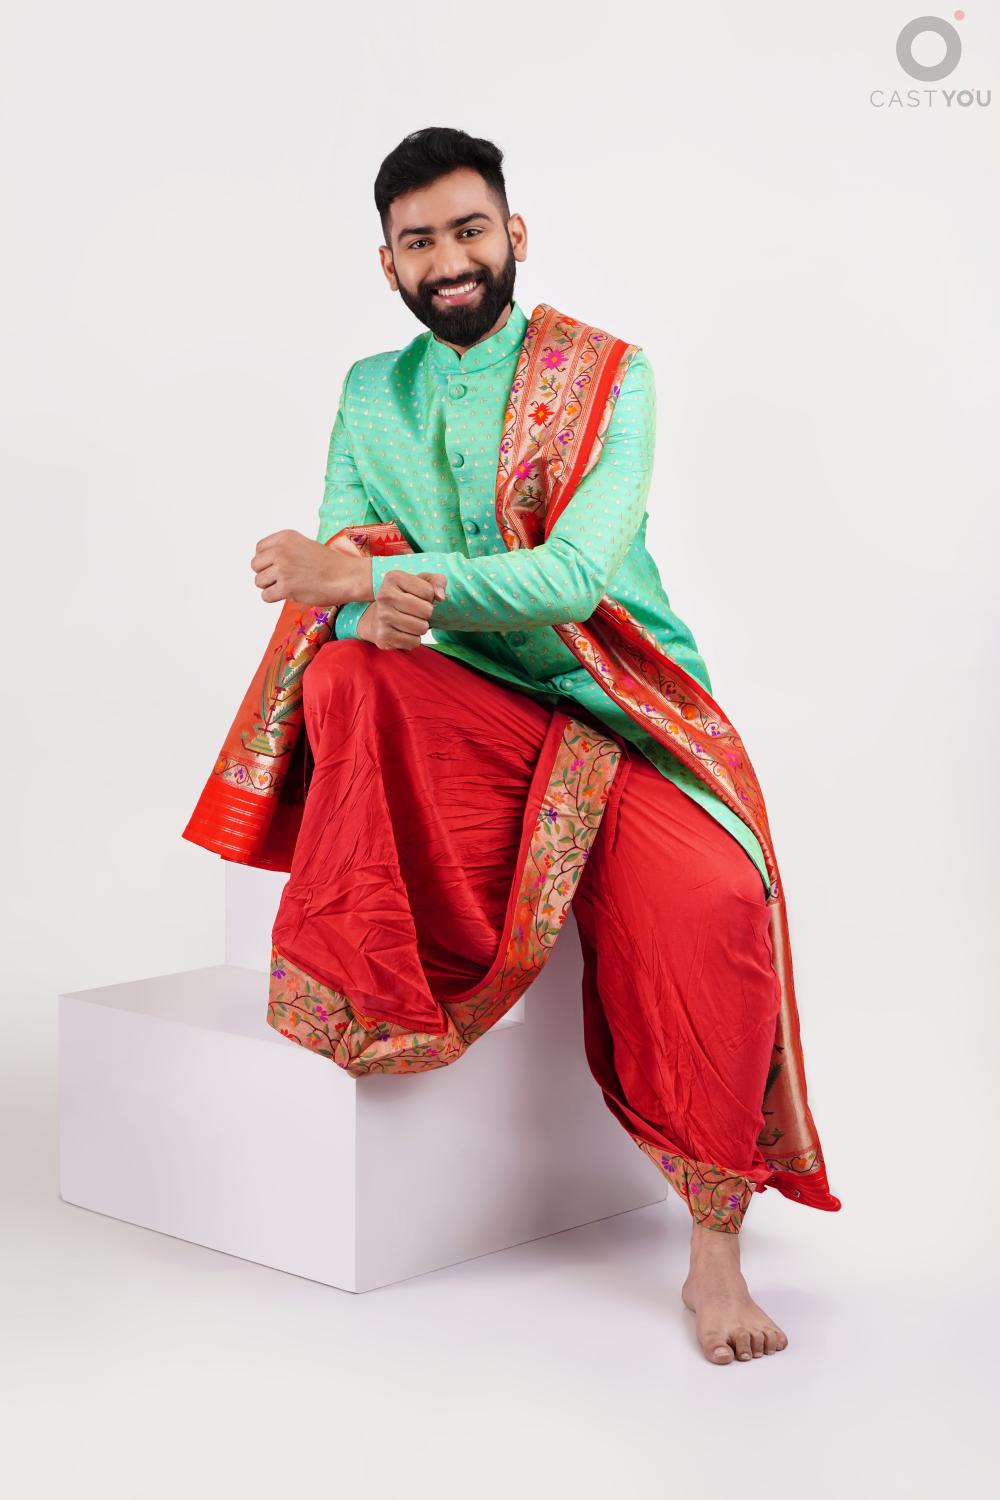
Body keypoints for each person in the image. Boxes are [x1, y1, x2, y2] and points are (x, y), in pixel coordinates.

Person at [247, 126, 837, 1366]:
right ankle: (377, 977)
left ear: (513, 235)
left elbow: (570, 578)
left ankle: (713, 1253)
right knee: (347, 671)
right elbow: (338, 582)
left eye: (469, 230)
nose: (449, 260)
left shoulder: (612, 376)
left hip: (624, 711)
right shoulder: (371, 392)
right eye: (419, 243)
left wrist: (366, 579)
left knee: (719, 901)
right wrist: (358, 606)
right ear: (389, 264)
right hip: (476, 715)